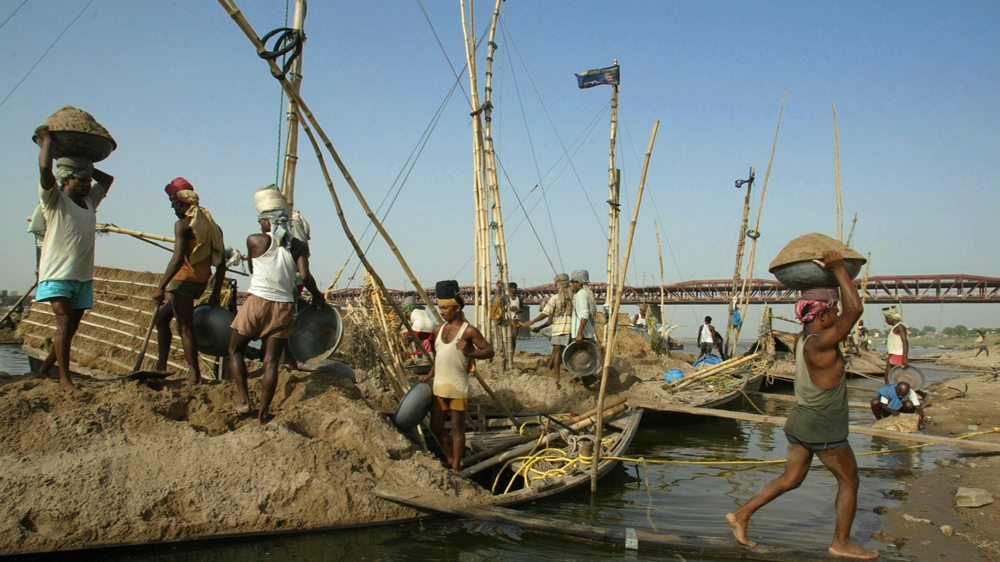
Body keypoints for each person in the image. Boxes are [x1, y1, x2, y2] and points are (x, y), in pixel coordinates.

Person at [726, 250, 879, 560]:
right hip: (822, 427)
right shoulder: (822, 343)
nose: (838, 315)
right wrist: (839, 270)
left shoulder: (802, 339)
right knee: (849, 480)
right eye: (833, 311)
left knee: (792, 479)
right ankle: (841, 543)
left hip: (800, 423)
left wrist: (835, 282)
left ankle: (740, 515)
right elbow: (855, 310)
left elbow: (846, 312)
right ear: (821, 316)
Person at [31, 126, 114, 392]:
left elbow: (108, 179)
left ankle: (44, 370)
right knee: (64, 322)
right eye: (81, 180)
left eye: (88, 180)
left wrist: (87, 167)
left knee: (70, 329)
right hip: (57, 274)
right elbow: (45, 173)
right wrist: (47, 142)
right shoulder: (54, 201)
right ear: (65, 180)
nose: (88, 184)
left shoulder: (89, 201)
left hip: (82, 276)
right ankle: (65, 379)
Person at [228, 205, 324, 424]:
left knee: (235, 349)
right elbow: (305, 276)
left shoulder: (255, 240)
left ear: (267, 222)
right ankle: (263, 414)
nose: (260, 224)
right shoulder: (299, 246)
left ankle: (244, 400)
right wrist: (317, 295)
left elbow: (254, 270)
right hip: (283, 308)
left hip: (257, 302)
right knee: (271, 363)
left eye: (261, 221)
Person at [151, 178, 227, 385]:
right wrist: (215, 292)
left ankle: (194, 375)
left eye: (173, 204)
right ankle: (161, 366)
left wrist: (160, 287)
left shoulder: (183, 225)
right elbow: (221, 262)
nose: (173, 208)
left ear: (182, 203)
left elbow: (177, 260)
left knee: (185, 327)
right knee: (162, 319)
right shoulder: (213, 227)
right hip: (200, 282)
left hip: (183, 281)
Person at [418, 285, 494, 470]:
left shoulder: (469, 331)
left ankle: (456, 467)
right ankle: (451, 458)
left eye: (445, 308)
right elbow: (439, 358)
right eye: (440, 308)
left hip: (458, 386)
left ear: (457, 308)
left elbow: (489, 351)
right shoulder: (438, 330)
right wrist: (428, 375)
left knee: (457, 426)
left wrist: (470, 352)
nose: (441, 311)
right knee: (436, 427)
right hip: (439, 387)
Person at [523, 273, 573, 380]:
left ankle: (557, 377)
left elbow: (545, 314)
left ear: (558, 285)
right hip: (572, 330)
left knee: (557, 353)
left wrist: (533, 321)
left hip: (559, 330)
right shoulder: (574, 297)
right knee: (565, 352)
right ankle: (556, 370)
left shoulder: (554, 299)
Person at [882, 306, 908, 384]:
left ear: (891, 318)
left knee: (895, 377)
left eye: (886, 318)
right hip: (893, 355)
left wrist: (905, 358)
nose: (885, 320)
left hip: (898, 355)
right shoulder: (895, 328)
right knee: (888, 375)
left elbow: (905, 342)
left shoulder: (900, 327)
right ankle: (888, 393)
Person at [570, 270, 597, 343]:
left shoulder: (581, 294)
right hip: (584, 334)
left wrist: (579, 334)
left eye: (573, 283)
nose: (571, 285)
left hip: (582, 335)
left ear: (579, 284)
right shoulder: (583, 293)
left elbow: (585, 314)